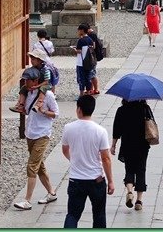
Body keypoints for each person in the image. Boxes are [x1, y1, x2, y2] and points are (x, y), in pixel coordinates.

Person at [61, 94, 115, 228]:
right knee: (99, 215)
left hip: (76, 179)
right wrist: (111, 181)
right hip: (96, 179)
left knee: (72, 214)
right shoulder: (100, 131)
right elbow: (106, 158)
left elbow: (65, 149)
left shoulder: (69, 128)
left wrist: (73, 160)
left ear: (79, 109)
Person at [13, 83, 59, 210]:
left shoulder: (47, 95)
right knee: (39, 166)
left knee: (32, 166)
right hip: (30, 133)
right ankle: (51, 192)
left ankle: (27, 201)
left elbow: (56, 113)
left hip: (43, 134)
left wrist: (43, 111)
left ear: (36, 81)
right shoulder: (27, 93)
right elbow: (28, 112)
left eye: (29, 80)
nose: (27, 83)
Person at [110, 99, 152, 211]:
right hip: (142, 145)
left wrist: (113, 145)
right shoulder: (145, 109)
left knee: (129, 169)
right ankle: (139, 200)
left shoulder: (121, 110)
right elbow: (151, 123)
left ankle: (129, 191)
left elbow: (116, 130)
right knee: (141, 170)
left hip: (127, 144)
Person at [10, 49, 52, 114]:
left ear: (39, 60)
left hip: (44, 84)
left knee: (43, 89)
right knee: (24, 88)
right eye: (31, 59)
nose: (31, 61)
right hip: (35, 84)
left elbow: (46, 81)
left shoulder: (46, 70)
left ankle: (38, 104)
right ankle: (20, 104)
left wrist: (37, 86)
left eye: (33, 60)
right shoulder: (33, 68)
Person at [71, 25, 95, 96]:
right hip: (88, 61)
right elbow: (92, 48)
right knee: (88, 77)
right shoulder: (90, 39)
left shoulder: (81, 40)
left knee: (81, 78)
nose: (78, 31)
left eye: (78, 30)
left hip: (81, 62)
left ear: (81, 30)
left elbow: (79, 51)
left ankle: (81, 93)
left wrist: (74, 49)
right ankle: (88, 92)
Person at [86, 25, 102, 95]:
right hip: (92, 56)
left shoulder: (92, 35)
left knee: (92, 74)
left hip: (93, 57)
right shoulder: (92, 34)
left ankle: (95, 89)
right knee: (91, 74)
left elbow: (93, 46)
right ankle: (92, 89)